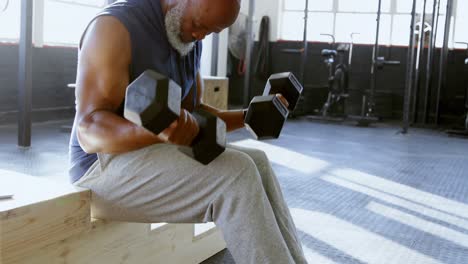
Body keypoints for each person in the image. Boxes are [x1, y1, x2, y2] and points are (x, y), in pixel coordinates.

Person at [69, 0, 307, 263]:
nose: (200, 35)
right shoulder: (114, 27)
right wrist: (155, 132)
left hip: (153, 154)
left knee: (258, 162)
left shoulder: (187, 40)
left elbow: (192, 115)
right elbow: (88, 129)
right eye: (198, 25)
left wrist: (250, 117)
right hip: (101, 167)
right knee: (236, 173)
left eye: (210, 32)